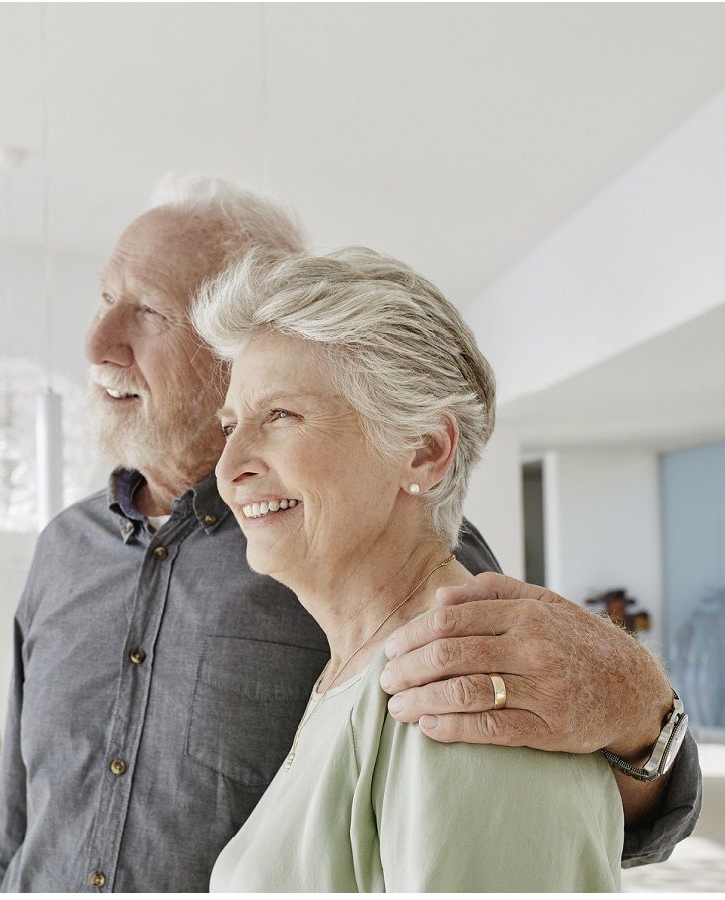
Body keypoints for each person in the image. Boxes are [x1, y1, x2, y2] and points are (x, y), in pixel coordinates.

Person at [0, 176, 699, 893]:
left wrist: (644, 712)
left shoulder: (408, 582)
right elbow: (17, 814)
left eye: (149, 311)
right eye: (105, 300)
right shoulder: (64, 549)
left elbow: (536, 743)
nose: (96, 344)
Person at [201, 246, 618, 891]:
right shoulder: (363, 668)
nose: (229, 469)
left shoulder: (466, 687)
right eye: (232, 426)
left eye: (281, 416)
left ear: (423, 451)